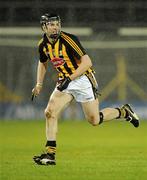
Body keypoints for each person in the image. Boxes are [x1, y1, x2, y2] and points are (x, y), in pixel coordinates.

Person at [32, 13, 139, 165]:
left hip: (82, 79)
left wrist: (70, 79)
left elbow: (87, 62)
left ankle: (124, 112)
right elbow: (42, 63)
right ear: (44, 27)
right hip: (65, 81)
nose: (55, 27)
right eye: (51, 24)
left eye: (57, 24)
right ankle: (50, 155)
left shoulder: (69, 40)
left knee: (94, 120)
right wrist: (39, 84)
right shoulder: (43, 45)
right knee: (50, 112)